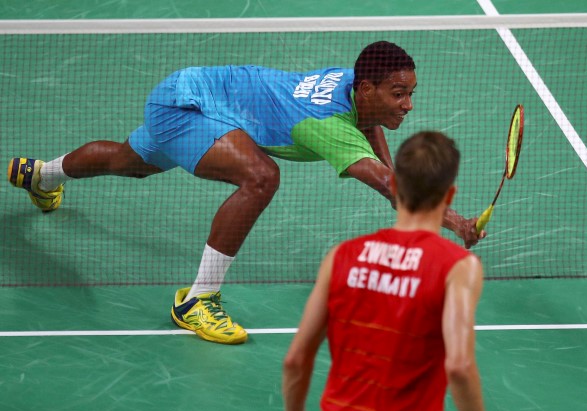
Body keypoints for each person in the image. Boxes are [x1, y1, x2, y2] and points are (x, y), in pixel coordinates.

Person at [6, 41, 485, 345]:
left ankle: (40, 175)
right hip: (191, 107)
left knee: (128, 163)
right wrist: (455, 222)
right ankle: (196, 301)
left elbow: (371, 140)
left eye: (410, 92)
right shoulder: (325, 126)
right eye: (398, 94)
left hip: (193, 91)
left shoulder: (349, 85)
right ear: (366, 88)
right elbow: (385, 181)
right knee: (261, 176)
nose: (408, 104)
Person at [282, 131, 488, 411]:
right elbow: (459, 366)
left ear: (393, 184)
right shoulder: (457, 267)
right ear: (449, 195)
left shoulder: (341, 256)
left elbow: (295, 361)